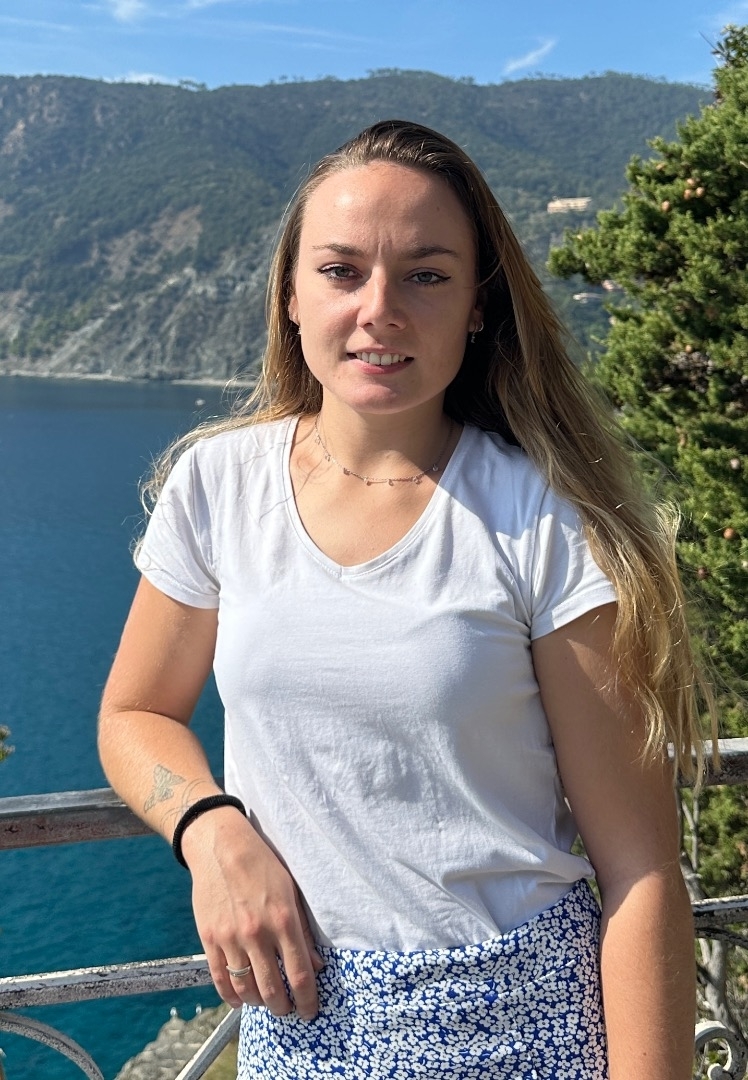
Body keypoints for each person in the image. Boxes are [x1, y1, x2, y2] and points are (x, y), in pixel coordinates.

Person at [98, 119, 712, 1079]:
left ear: (476, 306)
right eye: (341, 271)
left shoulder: (543, 518)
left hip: (522, 1029)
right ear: (291, 295)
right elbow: (135, 713)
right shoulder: (217, 486)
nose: (379, 309)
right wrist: (210, 829)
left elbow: (640, 871)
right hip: (300, 1027)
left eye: (426, 274)